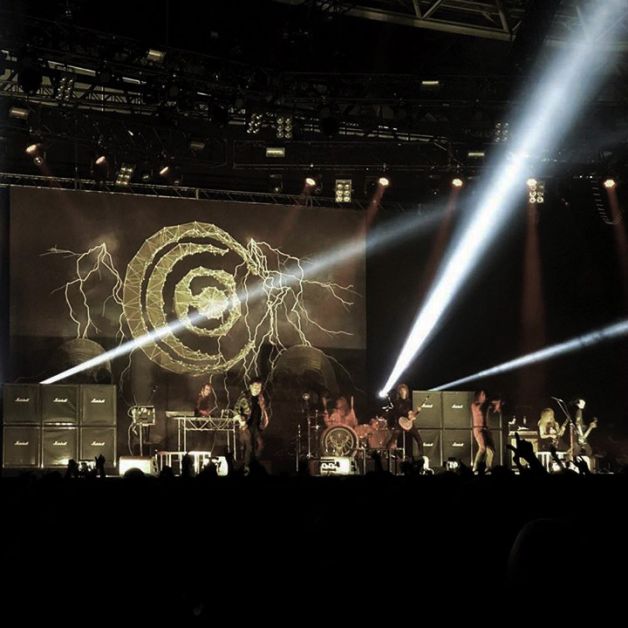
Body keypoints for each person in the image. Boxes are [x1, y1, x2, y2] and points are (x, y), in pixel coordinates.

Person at [235, 377, 270, 472]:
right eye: (255, 386)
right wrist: (241, 421)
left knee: (260, 445)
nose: (257, 389)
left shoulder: (260, 397)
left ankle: (253, 463)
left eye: (259, 387)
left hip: (256, 426)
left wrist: (264, 419)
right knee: (249, 446)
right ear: (250, 386)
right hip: (246, 426)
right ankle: (246, 467)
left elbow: (262, 410)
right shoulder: (244, 397)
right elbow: (236, 410)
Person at [385, 383, 424, 459]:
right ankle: (387, 453)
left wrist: (417, 412)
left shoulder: (409, 402)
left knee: (419, 439)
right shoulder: (397, 401)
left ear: (406, 392)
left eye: (404, 391)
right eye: (401, 391)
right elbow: (399, 411)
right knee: (393, 439)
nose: (403, 393)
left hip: (408, 423)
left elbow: (412, 414)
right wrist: (407, 414)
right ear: (399, 393)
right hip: (400, 423)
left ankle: (421, 456)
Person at [471, 389, 495, 473]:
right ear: (478, 396)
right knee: (482, 448)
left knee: (491, 450)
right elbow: (481, 407)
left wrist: (497, 403)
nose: (484, 396)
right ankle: (475, 468)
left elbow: (491, 404)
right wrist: (489, 402)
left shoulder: (485, 404)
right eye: (482, 394)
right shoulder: (474, 405)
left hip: (485, 429)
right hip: (478, 429)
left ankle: (488, 468)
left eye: (484, 394)